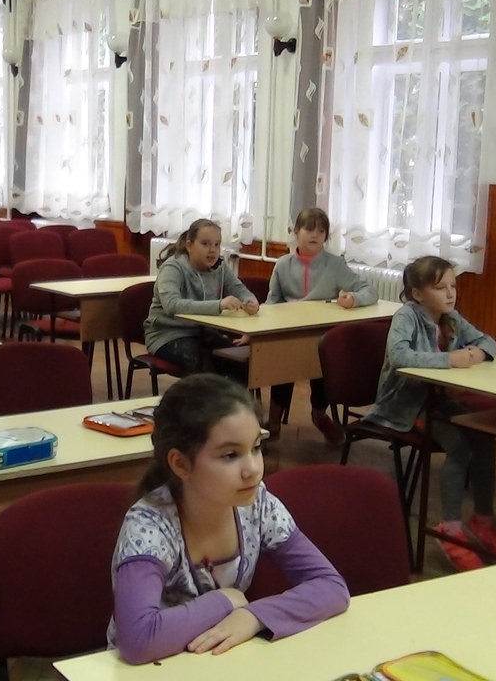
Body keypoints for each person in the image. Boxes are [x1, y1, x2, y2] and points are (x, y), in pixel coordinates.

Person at [108, 374, 349, 665]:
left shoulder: (258, 505)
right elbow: (137, 640)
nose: (253, 469)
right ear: (181, 464)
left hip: (217, 662)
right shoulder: (149, 525)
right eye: (231, 455)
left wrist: (254, 616)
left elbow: (331, 586)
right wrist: (225, 600)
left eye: (256, 448)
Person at [363, 255, 496, 572]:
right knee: (459, 445)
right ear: (417, 293)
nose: (450, 294)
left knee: (485, 439)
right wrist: (449, 360)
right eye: (440, 288)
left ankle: (482, 520)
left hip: (436, 400)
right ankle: (449, 528)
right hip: (403, 404)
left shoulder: (451, 318)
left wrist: (477, 352)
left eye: (453, 286)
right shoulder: (406, 316)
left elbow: (488, 341)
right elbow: (400, 356)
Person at [265, 208, 377, 444]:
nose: (315, 235)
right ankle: (273, 421)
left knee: (323, 366)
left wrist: (354, 299)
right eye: (309, 229)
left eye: (321, 231)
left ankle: (319, 415)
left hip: (322, 335)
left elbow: (369, 290)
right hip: (289, 333)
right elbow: (271, 303)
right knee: (283, 364)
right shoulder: (282, 265)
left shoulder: (335, 265)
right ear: (296, 232)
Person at [145, 219, 259, 375]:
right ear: (189, 245)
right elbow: (172, 305)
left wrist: (251, 301)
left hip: (203, 334)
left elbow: (238, 289)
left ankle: (233, 392)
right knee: (204, 366)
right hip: (168, 336)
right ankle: (209, 392)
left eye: (217, 245)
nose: (212, 250)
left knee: (239, 361)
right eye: (205, 244)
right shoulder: (173, 267)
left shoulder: (220, 267)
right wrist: (219, 305)